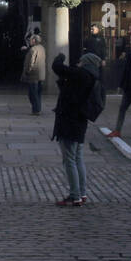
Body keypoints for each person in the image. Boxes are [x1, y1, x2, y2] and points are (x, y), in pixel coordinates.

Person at [51, 51, 99, 207]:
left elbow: (57, 67)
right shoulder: (91, 77)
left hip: (69, 121)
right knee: (78, 158)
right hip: (80, 121)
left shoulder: (81, 74)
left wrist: (61, 57)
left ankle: (74, 195)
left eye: (80, 61)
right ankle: (82, 192)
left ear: (85, 63)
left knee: (69, 159)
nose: (78, 63)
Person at [21, 33, 46, 115]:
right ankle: (38, 108)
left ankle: (36, 109)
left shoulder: (33, 50)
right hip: (41, 74)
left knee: (32, 93)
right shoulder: (42, 48)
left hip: (33, 75)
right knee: (38, 93)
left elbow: (31, 62)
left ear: (34, 40)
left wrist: (28, 71)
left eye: (30, 40)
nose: (29, 41)